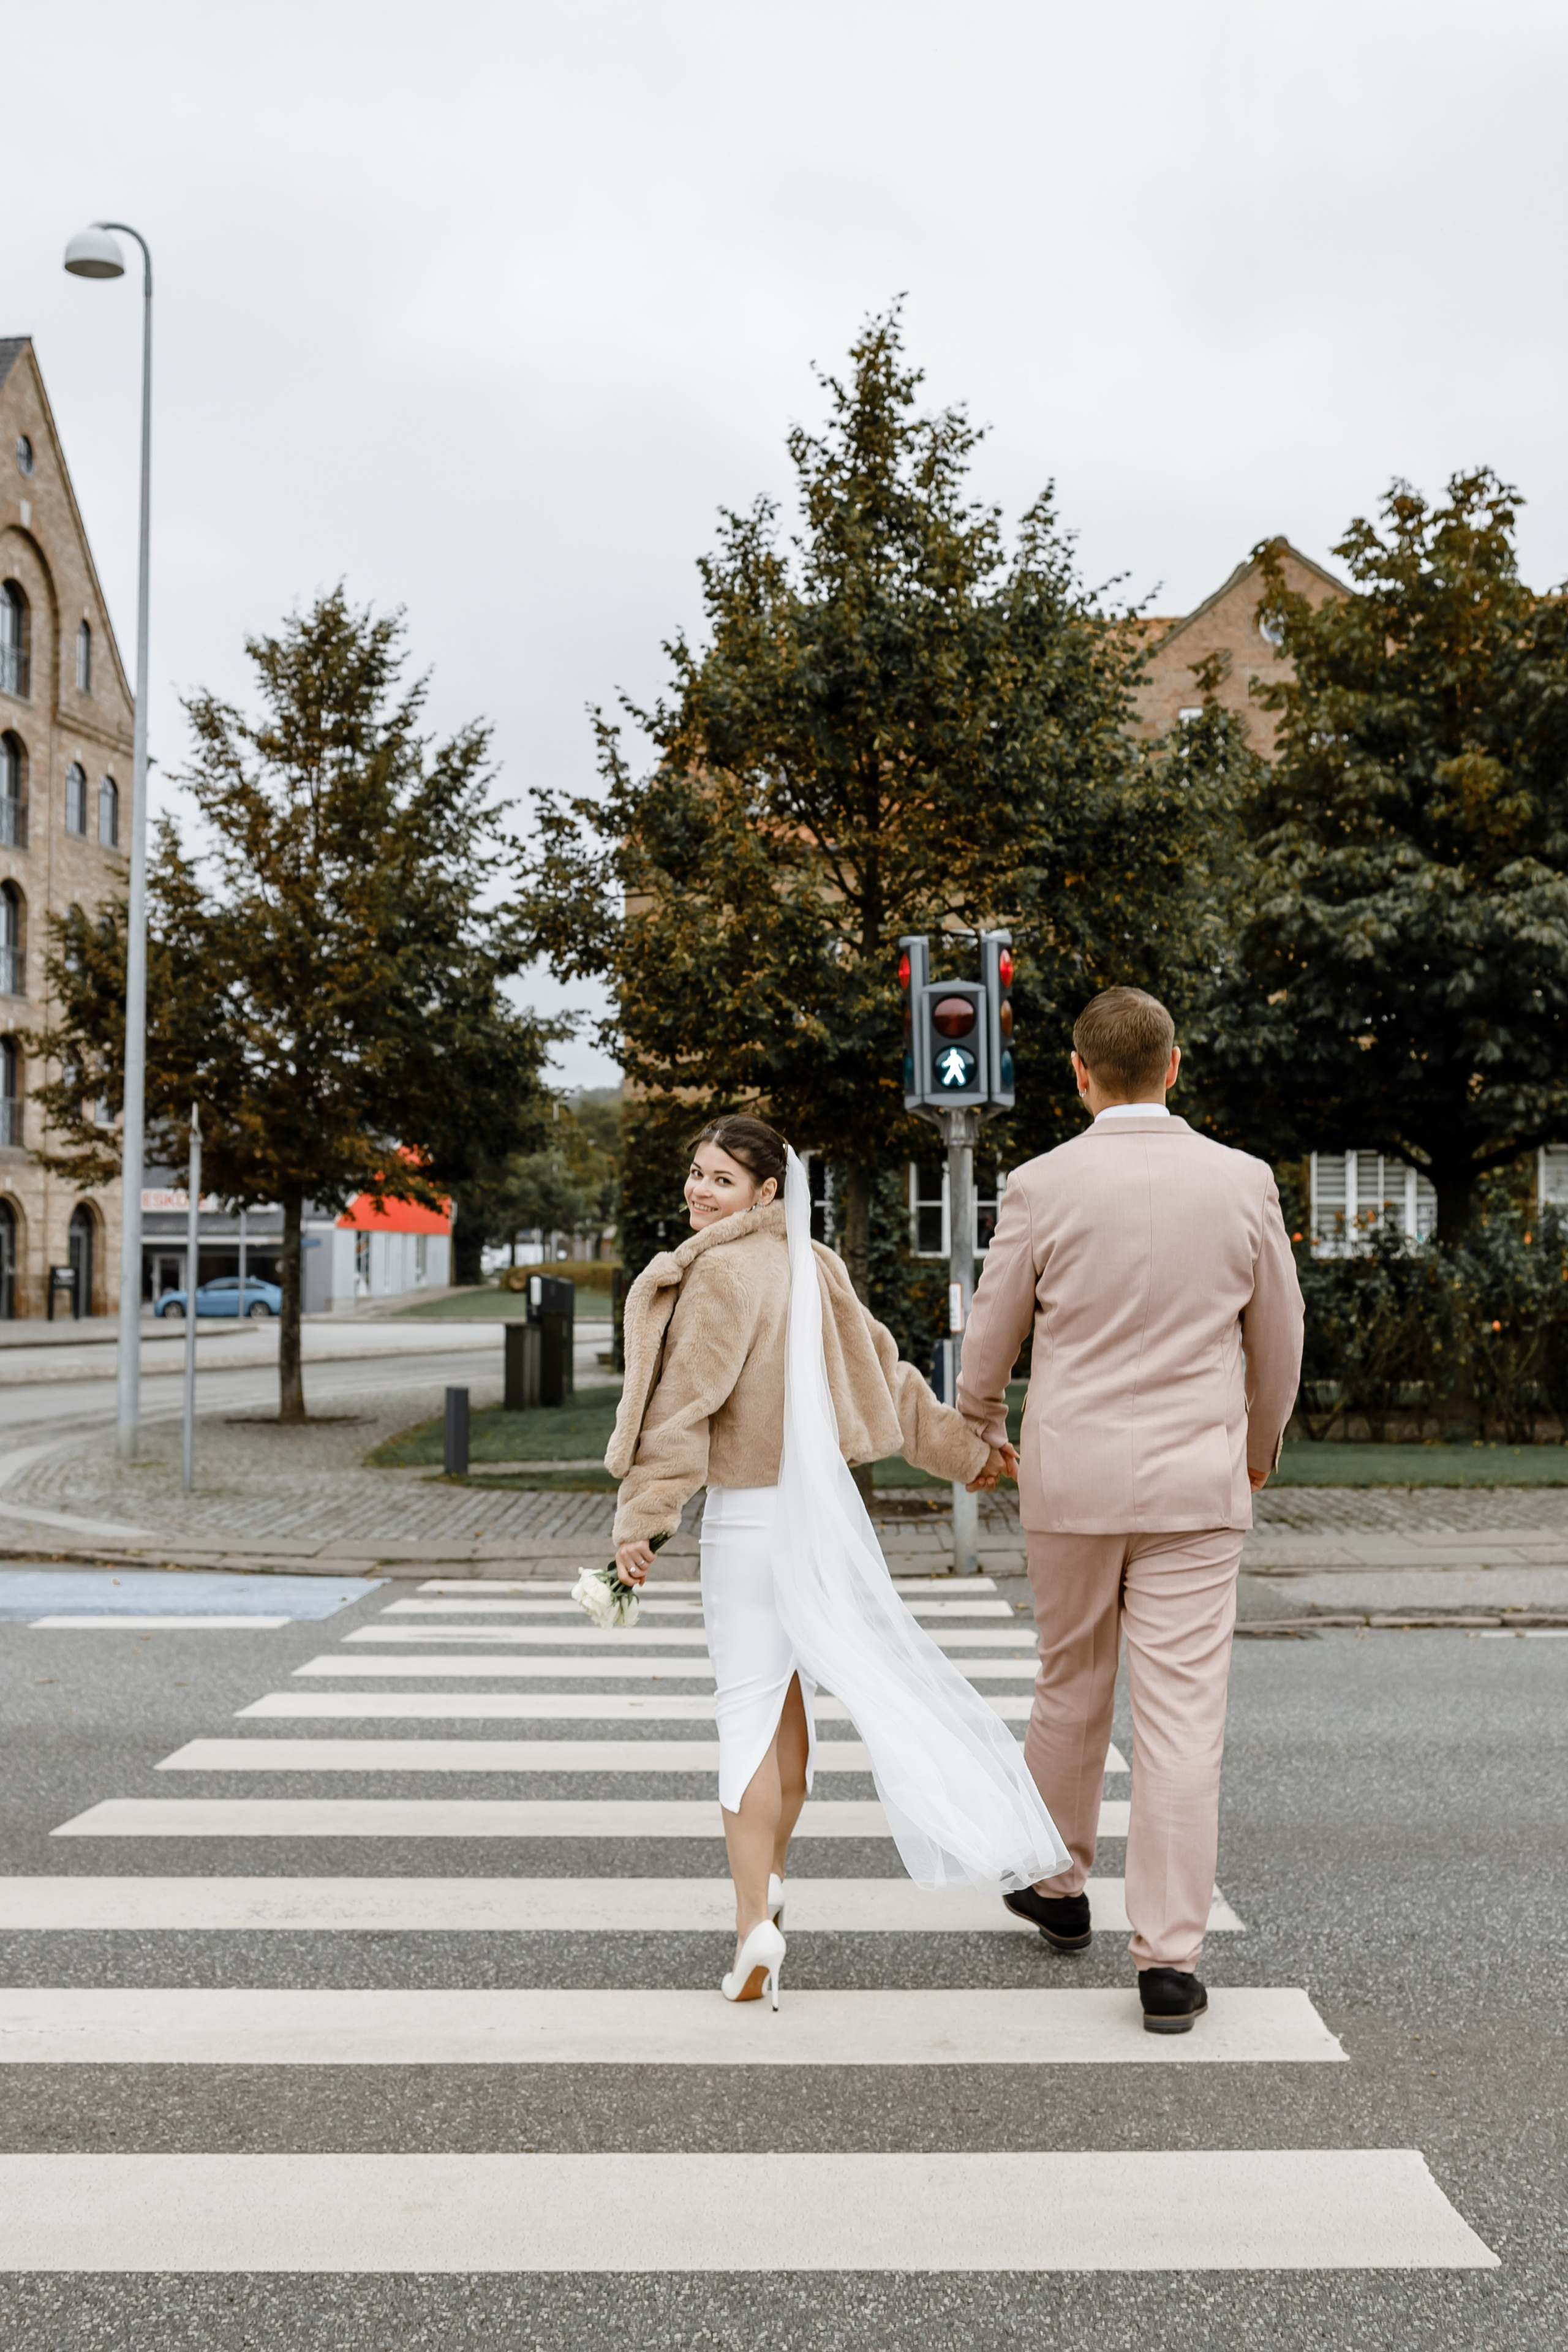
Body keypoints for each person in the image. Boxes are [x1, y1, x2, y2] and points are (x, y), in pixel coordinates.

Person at [608, 1114, 1068, 2008]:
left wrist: (646, 1518)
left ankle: (752, 1929)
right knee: (792, 1722)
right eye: (697, 1175)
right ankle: (773, 1885)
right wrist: (968, 1454)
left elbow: (680, 1410)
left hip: (748, 1522)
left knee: (745, 1715)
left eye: (722, 1180)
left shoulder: (717, 1275)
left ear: (767, 1193)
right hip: (821, 1523)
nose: (700, 1191)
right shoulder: (816, 1268)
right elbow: (887, 1380)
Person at [958, 987, 1305, 2034]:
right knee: (1183, 1718)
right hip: (1199, 1484)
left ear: (1079, 1072)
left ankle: (1060, 1889)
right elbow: (1278, 1335)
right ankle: (1169, 1961)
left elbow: (992, 1332)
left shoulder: (1039, 1184)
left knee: (1071, 1680)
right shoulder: (1243, 1182)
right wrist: (1256, 1447)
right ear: (1175, 1066)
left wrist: (978, 1426)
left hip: (1071, 1479)